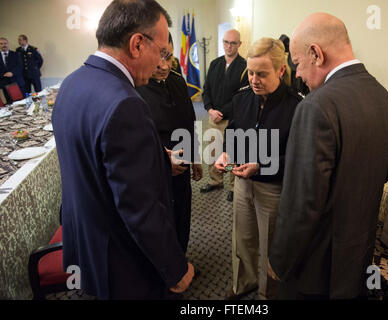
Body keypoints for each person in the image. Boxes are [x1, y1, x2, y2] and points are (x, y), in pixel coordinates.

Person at [52, 0, 194, 299]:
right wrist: (175, 268)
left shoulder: (71, 84)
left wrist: (156, 159)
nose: (160, 63)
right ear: (137, 44)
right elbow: (138, 208)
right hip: (125, 263)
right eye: (160, 51)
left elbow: (96, 161)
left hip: (87, 246)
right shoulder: (126, 103)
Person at [268, 12, 388, 300]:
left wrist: (278, 261)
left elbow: (302, 205)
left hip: (313, 270)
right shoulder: (382, 96)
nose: (297, 75)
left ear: (315, 53)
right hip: (355, 260)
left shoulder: (317, 106)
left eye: (297, 63)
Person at [215, 37, 302, 300]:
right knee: (243, 240)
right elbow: (232, 133)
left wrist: (261, 167)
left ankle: (267, 295)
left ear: (280, 70)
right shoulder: (242, 98)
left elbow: (298, 158)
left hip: (273, 188)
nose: (254, 79)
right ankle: (244, 284)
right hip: (242, 183)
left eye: (261, 74)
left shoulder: (297, 106)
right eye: (251, 73)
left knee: (270, 247)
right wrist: (226, 154)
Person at [136, 33, 203, 255]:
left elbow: (189, 120)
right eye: (159, 58)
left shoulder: (177, 80)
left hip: (182, 162)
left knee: (182, 215)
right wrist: (163, 163)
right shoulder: (135, 87)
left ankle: (181, 260)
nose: (164, 66)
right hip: (155, 168)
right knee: (160, 221)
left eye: (169, 58)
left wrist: (195, 158)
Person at [200, 29, 247, 202]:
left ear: (239, 44)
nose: (229, 46)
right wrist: (210, 109)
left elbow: (241, 96)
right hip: (214, 116)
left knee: (232, 153)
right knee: (213, 151)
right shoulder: (215, 64)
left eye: (233, 43)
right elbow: (206, 90)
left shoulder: (245, 66)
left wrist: (223, 112)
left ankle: (234, 187)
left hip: (233, 119)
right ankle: (215, 181)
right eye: (226, 42)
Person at [0, 37, 25, 103]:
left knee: (21, 102)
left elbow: (20, 66)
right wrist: (3, 74)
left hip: (17, 82)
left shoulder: (16, 54)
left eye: (5, 43)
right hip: (4, 83)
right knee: (10, 104)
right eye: (1, 44)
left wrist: (12, 73)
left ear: (8, 44)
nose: (3, 45)